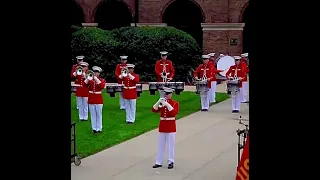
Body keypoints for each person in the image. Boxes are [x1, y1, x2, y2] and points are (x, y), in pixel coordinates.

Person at [151, 87, 179, 169]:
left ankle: (171, 161)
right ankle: (158, 161)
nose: (166, 95)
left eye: (167, 94)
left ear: (171, 94)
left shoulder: (175, 103)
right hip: (162, 126)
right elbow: (154, 110)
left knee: (171, 145)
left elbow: (174, 113)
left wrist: (167, 104)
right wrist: (158, 102)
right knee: (160, 145)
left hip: (170, 127)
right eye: (165, 94)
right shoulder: (162, 102)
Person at [84, 66, 106, 133]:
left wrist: (96, 79)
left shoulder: (102, 80)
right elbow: (84, 85)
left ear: (99, 73)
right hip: (91, 99)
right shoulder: (90, 79)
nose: (95, 73)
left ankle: (99, 128)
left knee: (99, 114)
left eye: (97, 72)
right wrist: (88, 78)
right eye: (94, 72)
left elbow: (102, 86)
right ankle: (94, 128)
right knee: (93, 114)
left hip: (98, 99)